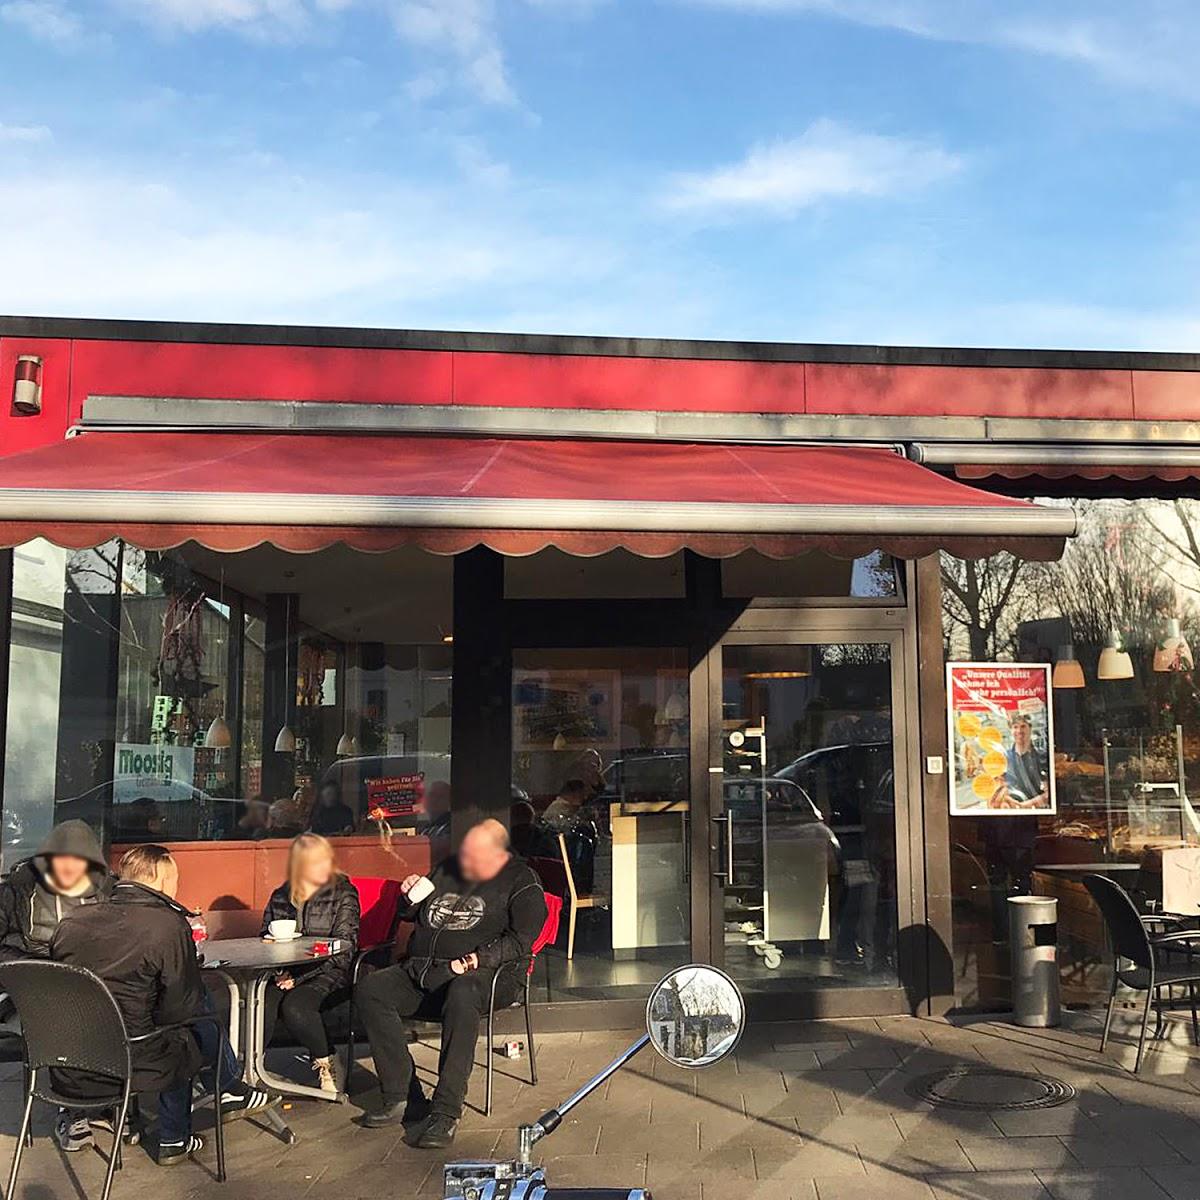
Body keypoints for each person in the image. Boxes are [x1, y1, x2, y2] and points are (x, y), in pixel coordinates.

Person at [51, 845, 273, 1167]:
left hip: (69, 1063)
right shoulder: (167, 925)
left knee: (170, 1014)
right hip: (133, 1062)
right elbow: (180, 1010)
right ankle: (176, 1137)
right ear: (159, 878)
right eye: (174, 878)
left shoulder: (72, 921)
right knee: (184, 1030)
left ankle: (229, 1088)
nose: (177, 885)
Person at [357, 818, 547, 1149]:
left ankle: (446, 1112)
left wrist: (477, 960)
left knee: (463, 992)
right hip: (425, 970)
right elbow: (408, 914)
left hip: (487, 976)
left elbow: (523, 940)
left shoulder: (520, 879)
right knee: (373, 990)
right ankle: (403, 1096)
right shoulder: (447, 870)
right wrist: (409, 898)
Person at [0, 818, 115, 1152]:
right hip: (29, 987)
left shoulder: (108, 892)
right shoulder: (18, 890)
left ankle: (108, 1101)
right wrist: (38, 966)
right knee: (67, 1025)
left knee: (121, 1015)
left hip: (91, 984)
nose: (67, 870)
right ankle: (74, 1110)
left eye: (76, 863)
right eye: (60, 862)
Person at [260, 833, 359, 1093]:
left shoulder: (343, 892)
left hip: (331, 969)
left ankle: (327, 1061)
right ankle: (249, 1069)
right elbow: (265, 936)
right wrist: (280, 971)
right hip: (288, 970)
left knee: (296, 1007)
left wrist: (299, 979)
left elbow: (345, 946)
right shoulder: (281, 895)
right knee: (261, 1003)